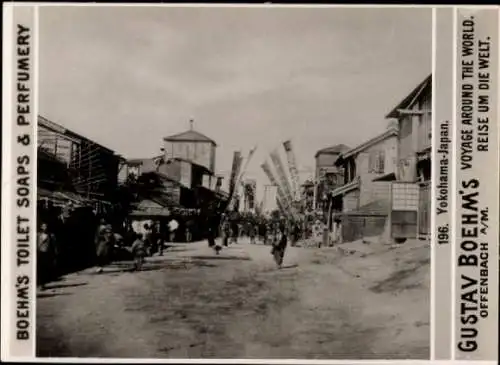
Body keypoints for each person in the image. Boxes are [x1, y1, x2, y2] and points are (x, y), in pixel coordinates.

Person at [37, 223, 57, 290]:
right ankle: (40, 284)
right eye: (43, 226)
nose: (45, 227)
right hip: (40, 253)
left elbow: (54, 246)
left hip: (47, 254)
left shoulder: (51, 235)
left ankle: (43, 283)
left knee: (45, 269)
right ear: (41, 227)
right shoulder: (38, 235)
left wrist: (54, 254)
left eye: (46, 226)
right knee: (39, 269)